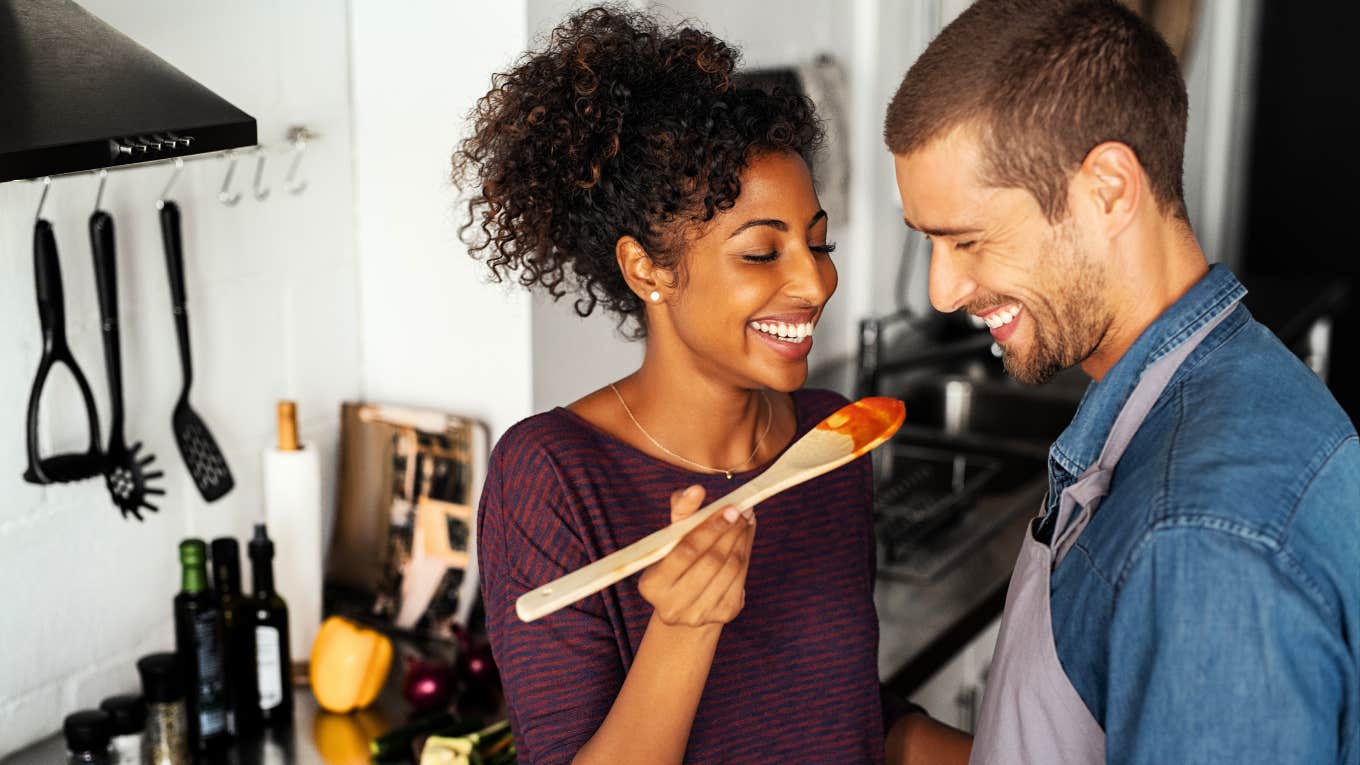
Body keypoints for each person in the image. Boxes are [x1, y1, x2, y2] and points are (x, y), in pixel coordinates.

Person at [881, 0, 1360, 762]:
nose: (942, 290)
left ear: (1108, 187)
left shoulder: (1198, 540)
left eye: (967, 238)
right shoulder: (1223, 380)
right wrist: (893, 737)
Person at [455, 8, 900, 763]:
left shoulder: (830, 440)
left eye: (818, 242)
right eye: (762, 253)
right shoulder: (552, 475)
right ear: (646, 269)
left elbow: (844, 719)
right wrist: (683, 628)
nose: (815, 280)